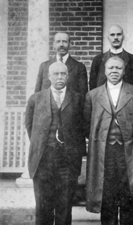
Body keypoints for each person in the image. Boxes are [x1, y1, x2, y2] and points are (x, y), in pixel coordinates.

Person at [84, 56, 133, 225]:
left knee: (129, 192)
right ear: (105, 71)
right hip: (104, 153)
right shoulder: (93, 95)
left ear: (124, 71)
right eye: (111, 68)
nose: (114, 71)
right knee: (107, 195)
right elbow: (86, 124)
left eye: (118, 68)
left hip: (130, 152)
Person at [25, 62, 85, 225]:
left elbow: (83, 128)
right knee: (42, 207)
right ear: (49, 76)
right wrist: (43, 144)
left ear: (68, 76)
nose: (59, 77)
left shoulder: (78, 99)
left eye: (63, 74)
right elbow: (30, 125)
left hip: (67, 162)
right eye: (56, 74)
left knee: (64, 207)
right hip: (42, 161)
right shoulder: (36, 99)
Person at [89, 25, 133, 90]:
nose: (116, 37)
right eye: (112, 35)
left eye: (119, 34)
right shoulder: (98, 60)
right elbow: (93, 85)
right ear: (108, 37)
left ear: (123, 37)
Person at [34, 32, 88, 96]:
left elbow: (83, 95)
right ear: (53, 44)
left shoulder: (79, 67)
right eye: (58, 41)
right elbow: (37, 95)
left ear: (69, 44)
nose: (61, 44)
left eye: (64, 41)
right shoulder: (44, 66)